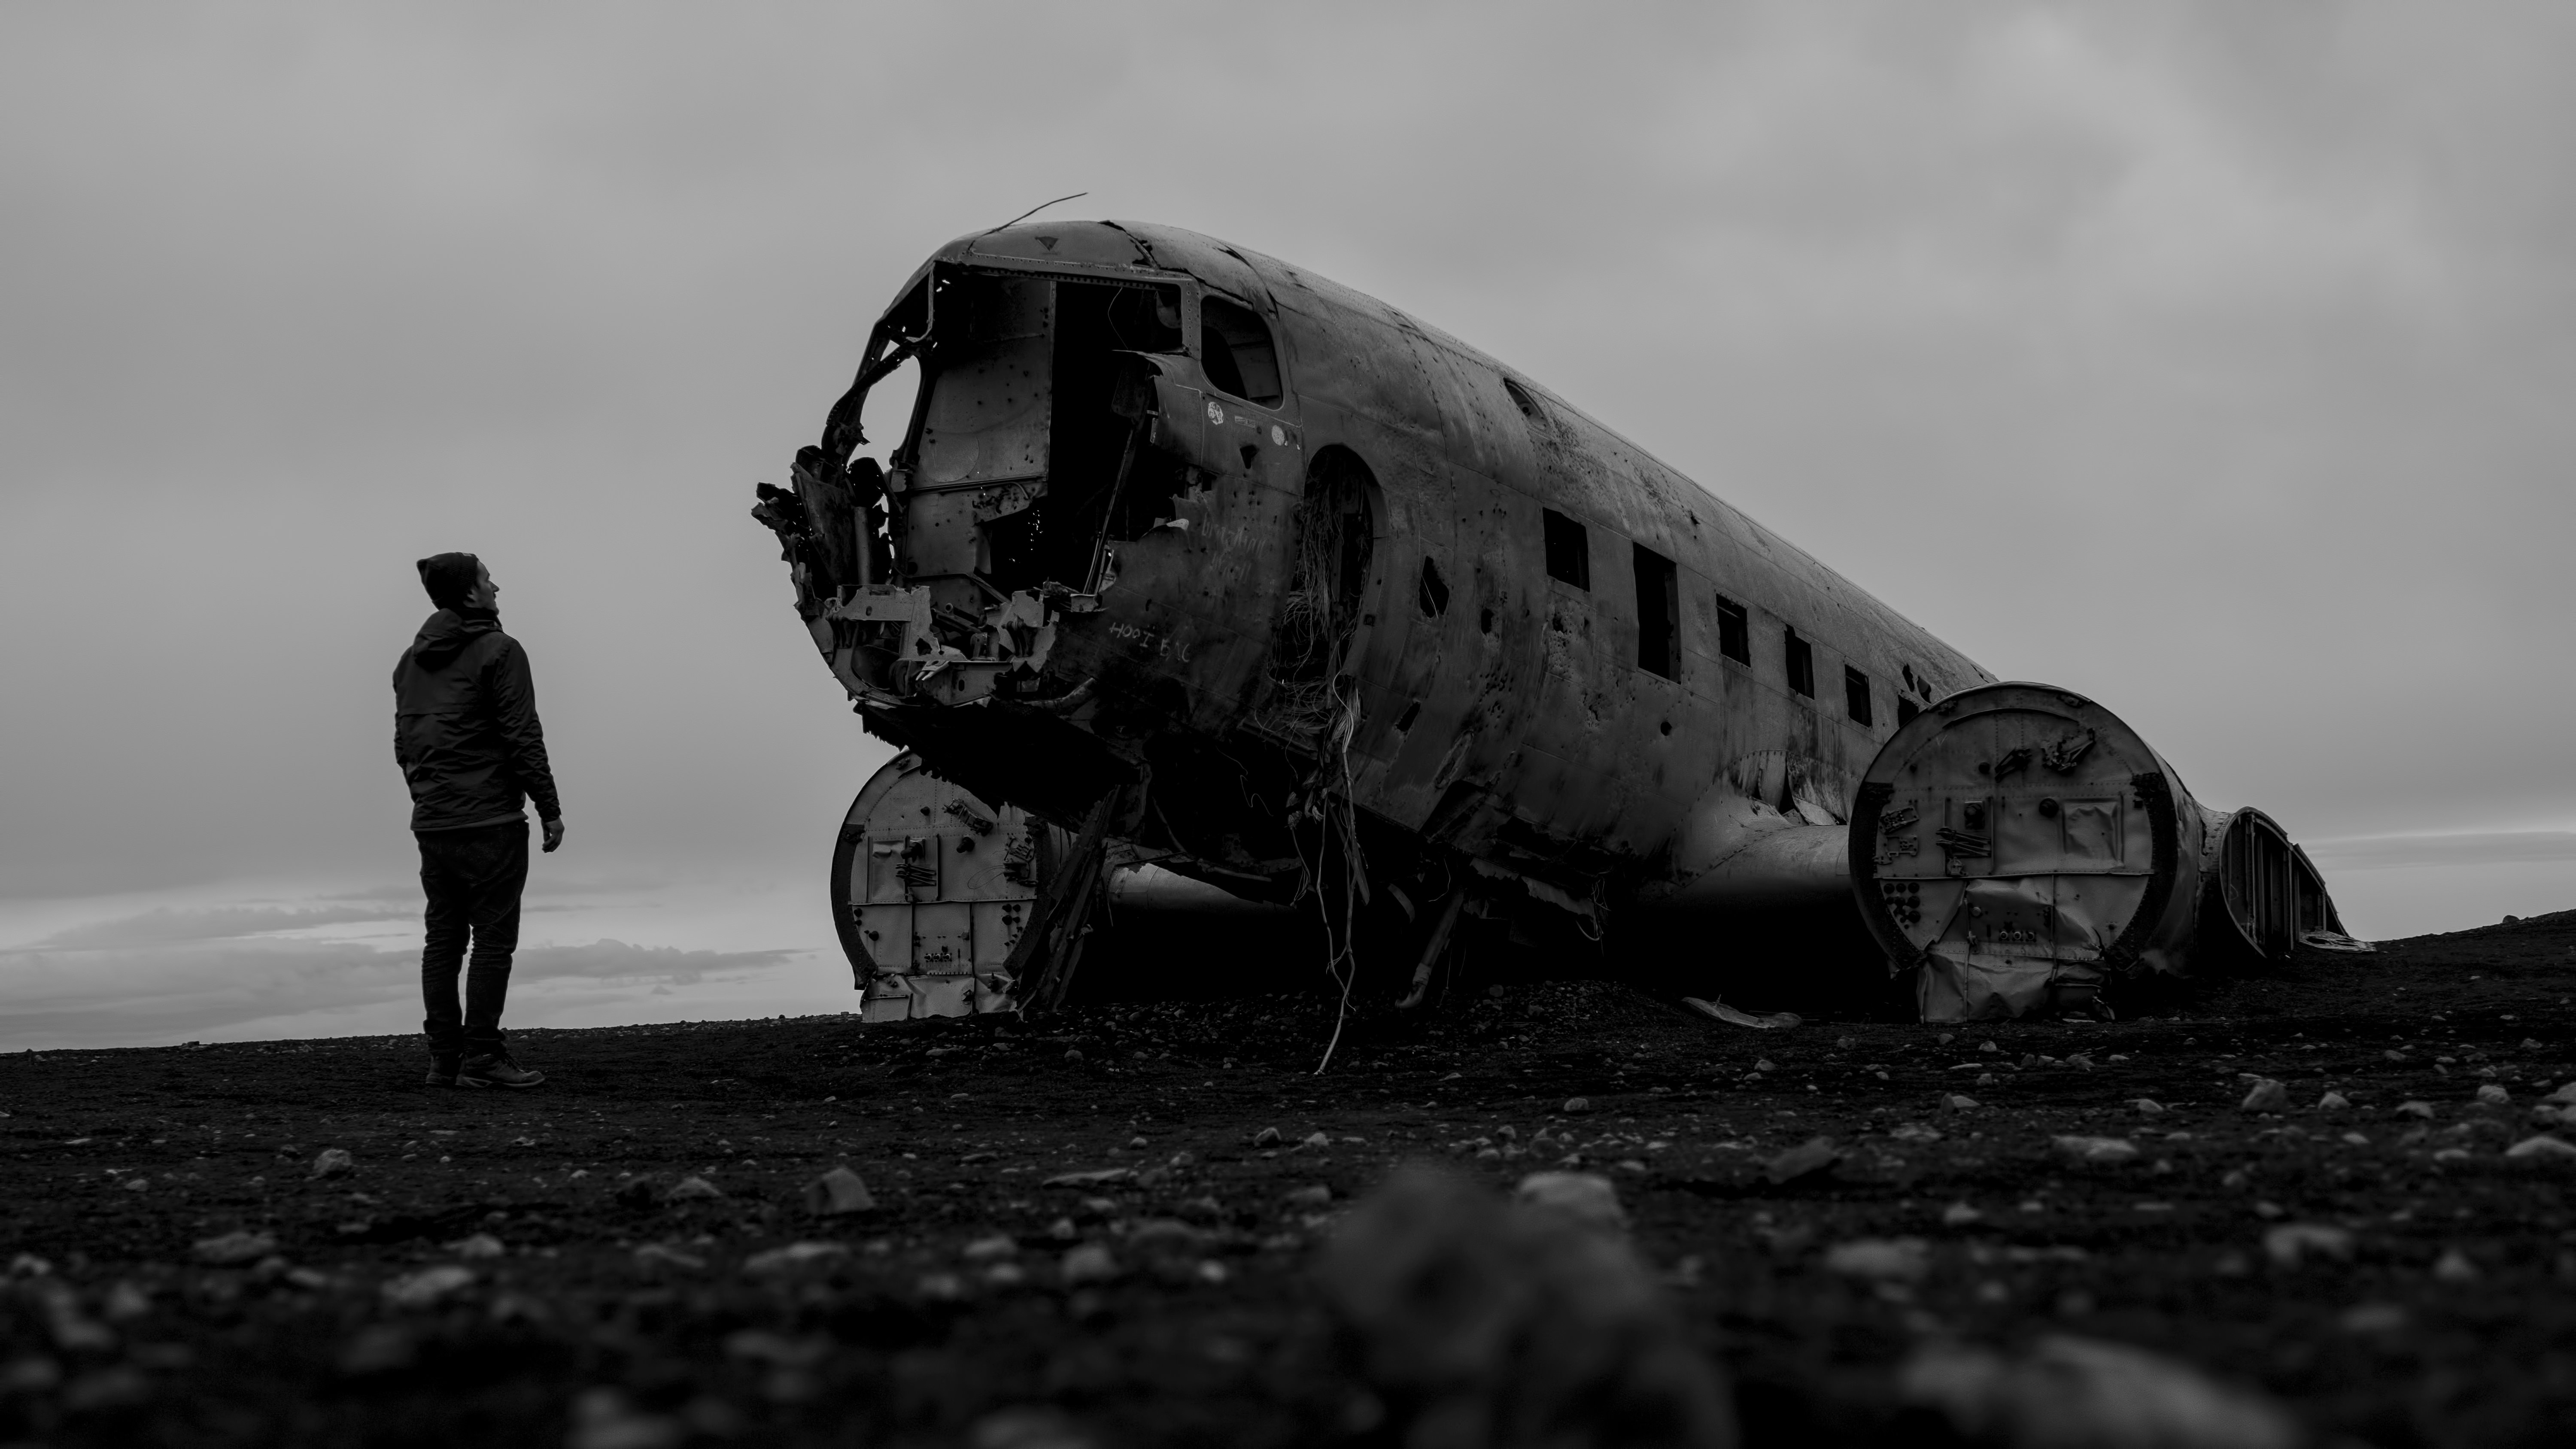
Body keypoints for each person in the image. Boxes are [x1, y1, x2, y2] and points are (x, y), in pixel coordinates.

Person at [393, 553, 563, 1089]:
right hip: (490, 821)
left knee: (443, 941)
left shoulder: (408, 663)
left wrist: (428, 799)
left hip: (434, 824)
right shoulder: (501, 652)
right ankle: (483, 1057)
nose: (496, 587)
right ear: (470, 595)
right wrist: (549, 808)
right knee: (492, 940)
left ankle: (444, 1061)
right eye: (487, 579)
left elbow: (405, 745)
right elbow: (522, 735)